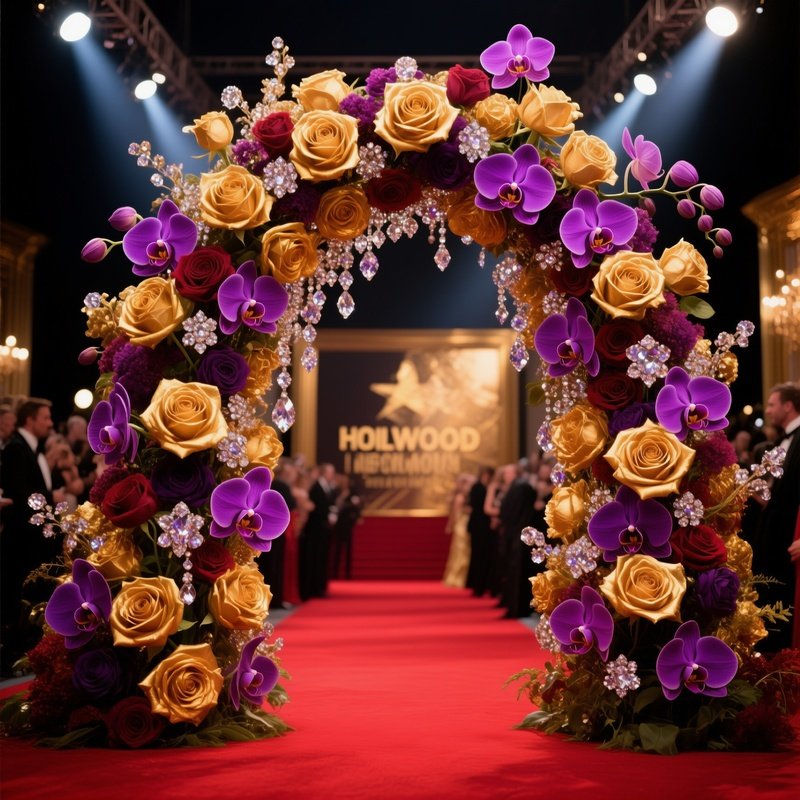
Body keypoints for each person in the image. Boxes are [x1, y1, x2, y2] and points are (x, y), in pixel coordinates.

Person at [0, 398, 65, 675]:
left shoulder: (29, 449)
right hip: (23, 545)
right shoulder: (16, 449)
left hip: (33, 544)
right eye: (45, 418)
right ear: (30, 420)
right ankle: (15, 659)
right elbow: (21, 494)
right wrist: (54, 498)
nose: (50, 423)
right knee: (20, 600)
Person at [753, 382, 800, 651]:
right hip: (776, 544)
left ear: (788, 406)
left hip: (790, 544)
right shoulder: (783, 440)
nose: (768, 410)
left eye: (772, 404)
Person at [257, 458, 297, 609]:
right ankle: (276, 598)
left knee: (263, 566)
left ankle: (262, 599)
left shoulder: (263, 484)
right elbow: (291, 506)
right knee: (276, 566)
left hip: (260, 530)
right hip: (278, 532)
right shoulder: (283, 486)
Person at [300, 462, 338, 599]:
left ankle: (320, 586)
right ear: (324, 473)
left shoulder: (327, 487)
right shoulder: (317, 487)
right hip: (315, 530)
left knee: (321, 559)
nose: (332, 475)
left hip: (323, 530)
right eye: (330, 472)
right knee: (315, 559)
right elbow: (316, 507)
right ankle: (315, 588)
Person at [441, 473, 474, 588]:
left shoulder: (466, 497)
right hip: (461, 525)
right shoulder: (459, 497)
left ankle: (462, 577)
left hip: (464, 524)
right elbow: (455, 514)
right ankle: (457, 577)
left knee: (464, 551)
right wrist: (451, 525)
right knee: (460, 550)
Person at [465, 466, 494, 597]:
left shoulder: (481, 487)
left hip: (480, 526)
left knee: (480, 556)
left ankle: (479, 585)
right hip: (479, 526)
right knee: (478, 555)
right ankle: (477, 585)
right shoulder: (479, 488)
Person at [331, 473, 363, 581]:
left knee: (348, 549)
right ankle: (335, 572)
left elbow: (357, 506)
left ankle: (347, 573)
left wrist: (357, 516)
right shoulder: (337, 491)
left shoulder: (353, 492)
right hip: (338, 523)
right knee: (337, 549)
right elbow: (334, 503)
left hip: (348, 524)